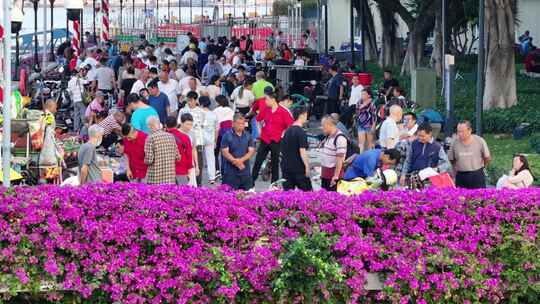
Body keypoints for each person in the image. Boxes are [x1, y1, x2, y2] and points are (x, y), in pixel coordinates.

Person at [252, 93, 294, 184]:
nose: (265, 101)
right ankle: (251, 183)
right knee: (258, 161)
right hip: (265, 139)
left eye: (267, 99)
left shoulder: (283, 112)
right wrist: (259, 130)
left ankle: (274, 185)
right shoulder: (266, 109)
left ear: (273, 99)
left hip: (276, 140)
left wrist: (283, 135)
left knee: (275, 163)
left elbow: (290, 126)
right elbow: (258, 119)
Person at [399, 123, 451, 187]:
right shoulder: (414, 144)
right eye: (419, 136)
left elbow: (446, 164)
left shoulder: (437, 147)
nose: (420, 138)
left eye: (423, 136)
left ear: (430, 134)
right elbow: (408, 161)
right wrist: (403, 174)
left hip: (429, 181)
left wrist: (437, 169)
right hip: (413, 178)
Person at [448, 121, 491, 189]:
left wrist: (483, 166)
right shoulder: (454, 142)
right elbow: (451, 159)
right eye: (458, 131)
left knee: (478, 197)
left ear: (470, 130)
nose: (460, 134)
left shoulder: (479, 141)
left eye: (462, 131)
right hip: (461, 175)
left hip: (477, 174)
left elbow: (487, 157)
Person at [280, 106, 313, 191]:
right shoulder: (301, 132)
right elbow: (302, 151)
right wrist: (307, 166)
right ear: (301, 116)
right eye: (306, 115)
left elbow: (282, 150)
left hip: (286, 168)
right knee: (308, 195)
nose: (306, 117)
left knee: (287, 197)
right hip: (299, 169)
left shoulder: (286, 131)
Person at [221, 113, 256, 190]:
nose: (241, 125)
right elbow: (225, 152)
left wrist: (241, 160)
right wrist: (236, 162)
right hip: (230, 173)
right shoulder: (227, 135)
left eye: (243, 123)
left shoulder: (248, 135)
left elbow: (251, 151)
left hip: (245, 172)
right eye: (239, 123)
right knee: (229, 197)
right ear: (233, 124)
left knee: (247, 196)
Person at [178, 91, 205, 186]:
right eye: (188, 100)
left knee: (198, 164)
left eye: (191, 100)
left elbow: (203, 126)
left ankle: (198, 186)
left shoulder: (201, 111)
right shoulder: (182, 111)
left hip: (197, 141)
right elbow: (178, 124)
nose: (189, 102)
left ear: (195, 100)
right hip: (184, 141)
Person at [144, 116, 180, 185]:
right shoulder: (171, 136)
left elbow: (149, 160)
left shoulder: (150, 138)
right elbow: (178, 157)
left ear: (150, 126)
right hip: (170, 178)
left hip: (155, 178)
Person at [320, 115, 348, 191]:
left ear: (330, 125)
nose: (321, 128)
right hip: (325, 175)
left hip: (332, 177)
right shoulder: (328, 136)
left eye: (323, 126)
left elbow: (339, 159)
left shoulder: (340, 138)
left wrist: (335, 177)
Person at [166, 115, 194, 185]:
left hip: (167, 171)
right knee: (183, 192)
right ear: (176, 124)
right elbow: (189, 155)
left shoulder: (163, 137)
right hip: (182, 169)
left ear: (165, 125)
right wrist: (189, 169)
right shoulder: (185, 137)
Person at [200, 96, 218, 184]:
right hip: (210, 138)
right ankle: (212, 177)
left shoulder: (198, 113)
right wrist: (215, 140)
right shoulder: (213, 114)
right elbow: (217, 129)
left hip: (199, 138)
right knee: (211, 158)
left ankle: (196, 175)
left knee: (198, 158)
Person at [355, 89, 377, 153]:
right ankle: (360, 157)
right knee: (361, 144)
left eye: (364, 94)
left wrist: (373, 126)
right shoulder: (359, 102)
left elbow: (374, 116)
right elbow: (358, 110)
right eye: (361, 94)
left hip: (369, 125)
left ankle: (369, 157)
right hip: (361, 124)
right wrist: (366, 103)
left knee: (370, 143)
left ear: (369, 95)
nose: (362, 95)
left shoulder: (372, 104)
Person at [67, 67, 87, 132]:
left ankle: (76, 129)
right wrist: (82, 76)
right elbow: (87, 82)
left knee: (76, 115)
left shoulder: (69, 82)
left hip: (74, 100)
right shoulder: (79, 80)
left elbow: (69, 91)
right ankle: (85, 129)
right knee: (83, 114)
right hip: (80, 99)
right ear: (77, 73)